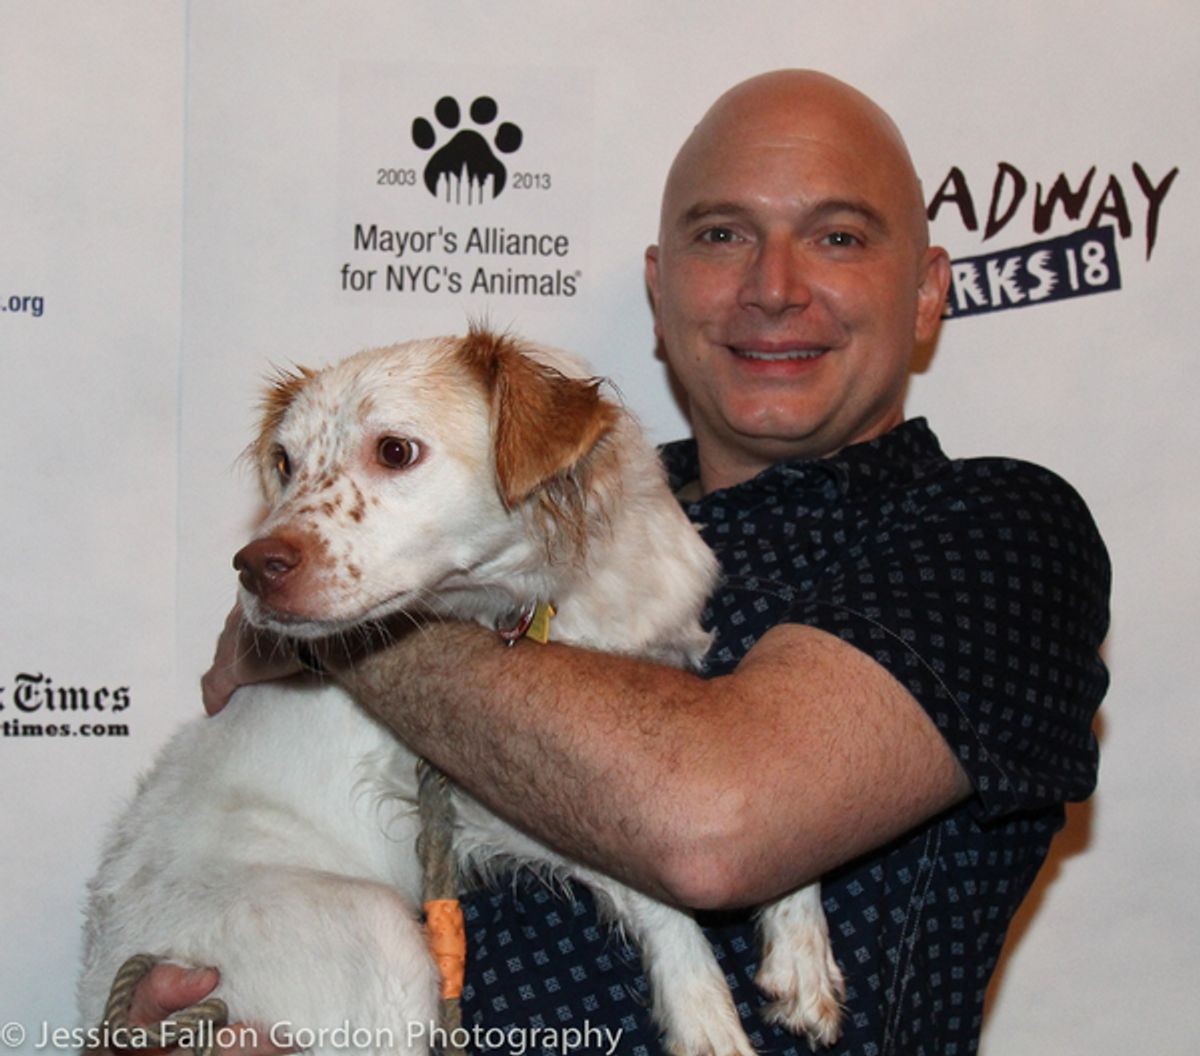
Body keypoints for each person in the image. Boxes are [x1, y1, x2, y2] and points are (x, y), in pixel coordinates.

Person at [120, 70, 1110, 1054]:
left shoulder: (996, 529)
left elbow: (716, 823)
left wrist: (351, 621)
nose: (773, 287)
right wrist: (179, 1009)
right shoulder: (516, 496)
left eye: (838, 237)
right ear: (659, 285)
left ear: (930, 290)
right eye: (722, 236)